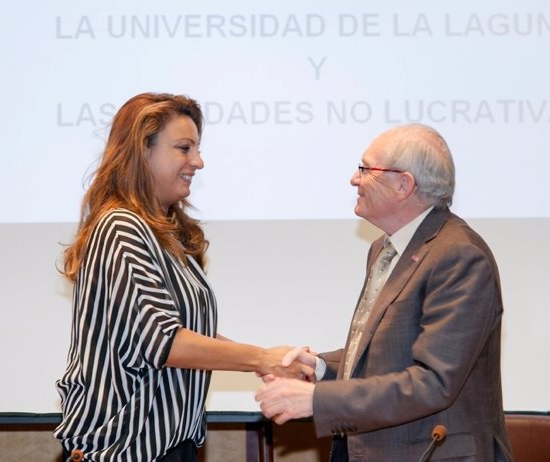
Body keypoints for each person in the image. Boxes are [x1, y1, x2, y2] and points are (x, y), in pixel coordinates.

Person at [54, 92, 314, 462]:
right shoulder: (122, 226)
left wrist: (275, 361)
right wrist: (261, 359)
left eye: (197, 148)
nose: (199, 161)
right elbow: (166, 343)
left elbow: (189, 330)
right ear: (142, 152)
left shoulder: (166, 231)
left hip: (169, 446)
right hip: (123, 450)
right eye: (184, 148)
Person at [256, 123, 513, 461]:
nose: (353, 179)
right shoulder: (384, 248)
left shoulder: (458, 255)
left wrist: (316, 400)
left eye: (365, 168)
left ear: (404, 184)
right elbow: (386, 353)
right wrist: (319, 368)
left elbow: (433, 381)